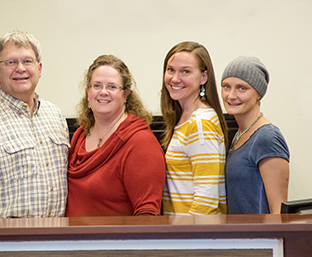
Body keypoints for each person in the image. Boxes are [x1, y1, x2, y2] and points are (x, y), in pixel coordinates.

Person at [0, 30, 69, 218]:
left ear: (40, 68)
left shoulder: (55, 115)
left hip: (59, 238)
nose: (20, 68)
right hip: (11, 242)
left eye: (27, 61)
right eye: (11, 62)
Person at [66, 54, 166, 216]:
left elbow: (147, 216)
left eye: (112, 87)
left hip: (114, 241)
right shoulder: (80, 135)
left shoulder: (140, 143)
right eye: (97, 85)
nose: (103, 92)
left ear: (125, 95)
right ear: (88, 91)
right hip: (69, 240)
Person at [160, 41, 228, 215]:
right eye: (171, 70)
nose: (175, 78)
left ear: (203, 78)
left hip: (194, 237)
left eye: (186, 71)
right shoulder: (185, 119)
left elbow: (206, 202)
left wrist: (184, 239)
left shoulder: (200, 125)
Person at [221, 56, 289, 214]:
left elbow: (278, 211)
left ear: (259, 93)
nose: (231, 95)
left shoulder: (267, 137)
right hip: (238, 236)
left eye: (242, 88)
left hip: (260, 237)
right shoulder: (238, 135)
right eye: (226, 86)